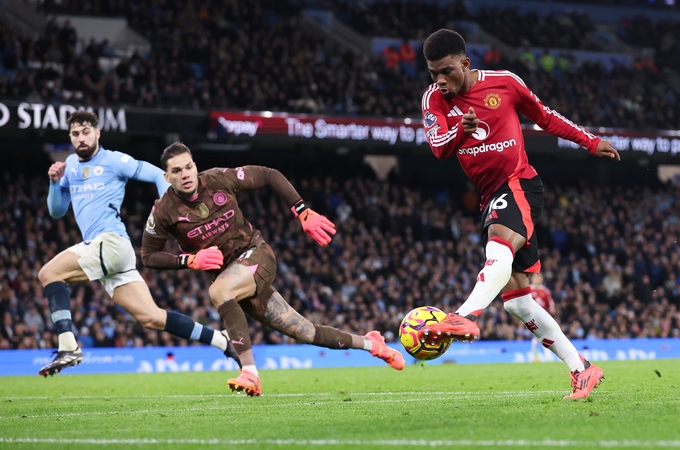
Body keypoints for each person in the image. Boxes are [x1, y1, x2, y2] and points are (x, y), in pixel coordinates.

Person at [418, 29, 620, 399]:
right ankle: (582, 369)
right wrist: (460, 133)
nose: (440, 80)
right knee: (519, 303)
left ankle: (464, 315)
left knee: (499, 243)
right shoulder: (434, 100)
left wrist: (590, 141)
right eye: (433, 73)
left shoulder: (505, 84)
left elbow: (544, 116)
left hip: (519, 183)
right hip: (489, 195)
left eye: (447, 71)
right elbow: (438, 149)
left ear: (465, 62)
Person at [141, 143, 405, 397]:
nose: (185, 174)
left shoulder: (219, 179)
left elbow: (268, 174)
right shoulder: (163, 211)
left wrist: (303, 211)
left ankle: (250, 373)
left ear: (195, 166)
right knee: (305, 331)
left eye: (188, 167)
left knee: (219, 291)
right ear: (166, 176)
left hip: (256, 255)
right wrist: (189, 261)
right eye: (176, 171)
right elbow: (148, 256)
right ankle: (372, 344)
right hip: (234, 280)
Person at [39, 111, 238, 377]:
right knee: (152, 318)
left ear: (97, 133)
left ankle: (68, 346)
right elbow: (56, 211)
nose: (81, 138)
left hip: (109, 242)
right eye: (75, 133)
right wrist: (54, 184)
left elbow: (158, 175)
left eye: (86, 131)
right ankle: (222, 340)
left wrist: (172, 212)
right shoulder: (70, 166)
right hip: (109, 252)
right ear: (71, 138)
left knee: (48, 273)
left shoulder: (115, 160)